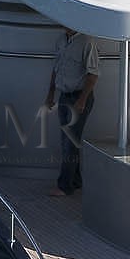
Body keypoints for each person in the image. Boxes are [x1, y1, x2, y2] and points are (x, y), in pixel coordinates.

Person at [44, 27, 99, 197]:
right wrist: (50, 94)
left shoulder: (87, 41)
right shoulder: (61, 40)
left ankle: (64, 186)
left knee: (70, 142)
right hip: (64, 96)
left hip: (78, 97)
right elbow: (56, 69)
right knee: (68, 142)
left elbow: (93, 74)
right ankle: (76, 180)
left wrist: (82, 100)